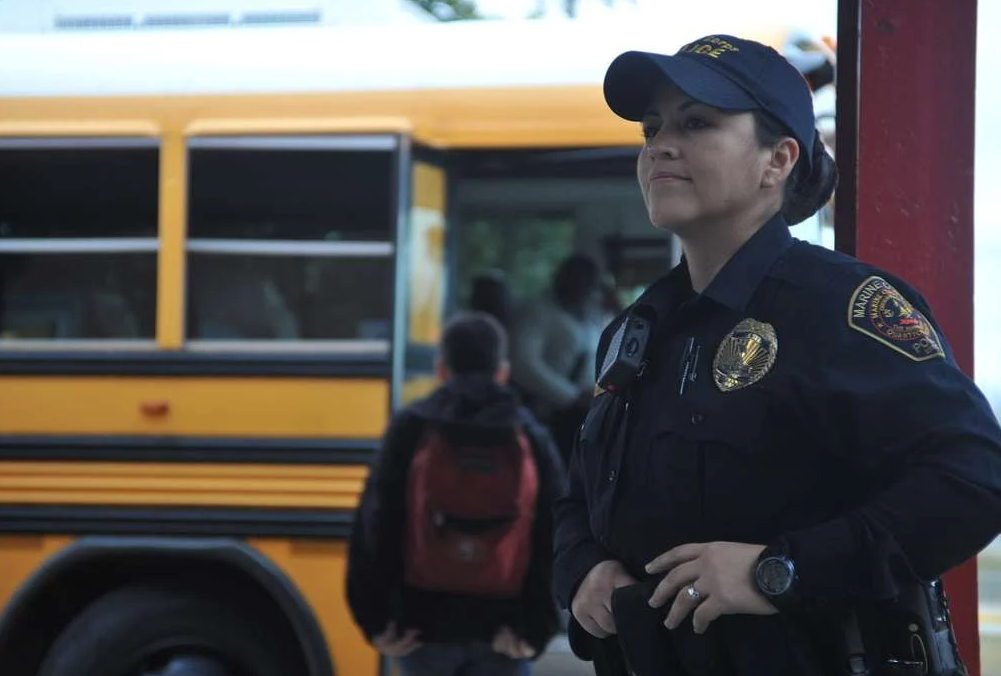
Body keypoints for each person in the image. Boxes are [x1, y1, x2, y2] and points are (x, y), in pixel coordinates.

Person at [552, 33, 1001, 676]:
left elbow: (974, 481)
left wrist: (778, 572)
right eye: (652, 129)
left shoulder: (839, 307)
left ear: (778, 159)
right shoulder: (634, 331)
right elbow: (578, 498)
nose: (660, 146)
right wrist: (582, 569)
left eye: (696, 123)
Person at [346, 312, 564, 676]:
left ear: (441, 369)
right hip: (504, 632)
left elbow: (375, 522)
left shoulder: (411, 427)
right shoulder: (529, 434)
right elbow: (554, 530)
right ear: (503, 372)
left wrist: (376, 621)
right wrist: (537, 629)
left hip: (421, 629)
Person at [510, 254, 607, 463]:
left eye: (590, 283)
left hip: (585, 412)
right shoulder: (538, 312)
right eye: (579, 280)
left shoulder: (590, 316)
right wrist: (571, 395)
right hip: (549, 413)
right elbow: (524, 363)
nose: (585, 288)